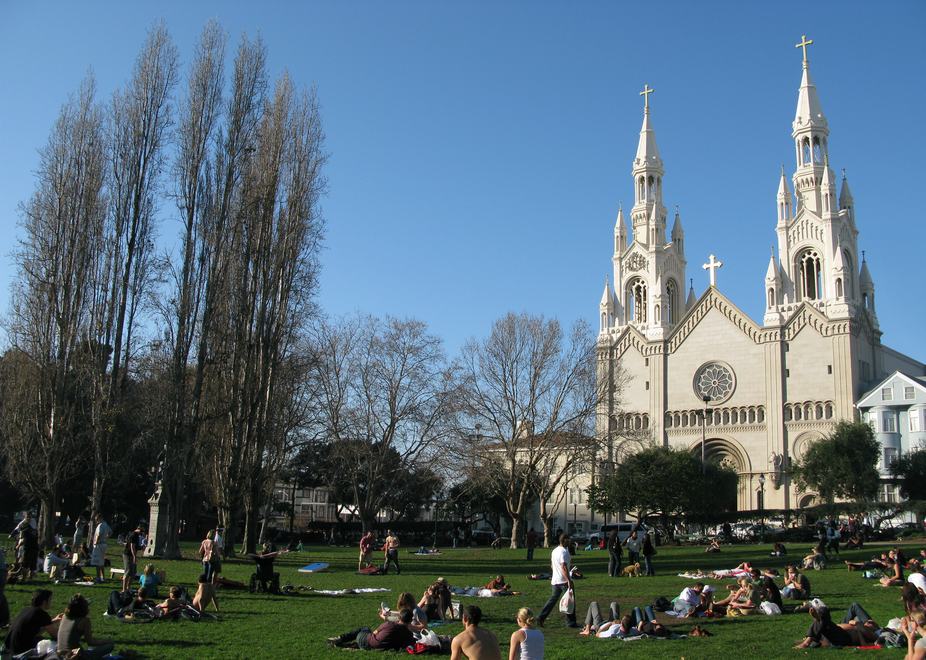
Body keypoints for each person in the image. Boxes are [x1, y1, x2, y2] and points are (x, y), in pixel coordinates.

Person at [536, 533, 577, 628]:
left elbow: (552, 565)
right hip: (563, 581)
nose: (570, 541)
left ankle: (541, 617)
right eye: (568, 539)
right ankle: (571, 622)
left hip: (555, 581)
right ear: (564, 540)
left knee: (552, 600)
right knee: (570, 601)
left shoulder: (554, 551)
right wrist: (569, 580)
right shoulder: (564, 552)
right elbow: (563, 566)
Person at [56, 593, 114, 659]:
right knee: (110, 645)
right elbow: (90, 642)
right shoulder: (84, 621)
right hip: (74, 656)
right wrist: (107, 641)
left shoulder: (64, 616)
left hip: (59, 654)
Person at [3, 589, 59, 655]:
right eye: (50, 600)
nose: (51, 602)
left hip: (9, 647)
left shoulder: (26, 610)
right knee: (53, 646)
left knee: (40, 639)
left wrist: (54, 621)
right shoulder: (41, 614)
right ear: (44, 602)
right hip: (21, 650)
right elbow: (55, 635)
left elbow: (35, 632)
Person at [329, 608, 416, 650]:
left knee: (365, 628)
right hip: (377, 648)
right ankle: (353, 645)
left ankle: (340, 638)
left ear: (399, 618)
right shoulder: (408, 634)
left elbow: (375, 632)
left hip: (366, 641)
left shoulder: (389, 624)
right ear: (410, 620)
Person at [794, 598, 862, 648]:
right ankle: (819, 617)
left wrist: (856, 624)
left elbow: (853, 628)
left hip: (843, 636)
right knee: (823, 620)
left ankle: (807, 641)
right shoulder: (861, 624)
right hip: (838, 633)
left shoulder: (865, 628)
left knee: (823, 613)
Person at [90, 515, 112, 583]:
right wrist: (106, 537)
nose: (97, 521)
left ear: (100, 518)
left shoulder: (100, 525)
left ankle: (98, 577)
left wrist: (96, 542)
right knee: (101, 562)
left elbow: (99, 534)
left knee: (97, 562)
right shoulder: (106, 524)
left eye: (97, 519)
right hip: (104, 544)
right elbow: (111, 532)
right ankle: (103, 577)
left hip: (99, 545)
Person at [122, 526, 142, 592]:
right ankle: (124, 589)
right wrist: (134, 556)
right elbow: (132, 546)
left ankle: (128, 587)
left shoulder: (136, 535)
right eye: (141, 531)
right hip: (128, 555)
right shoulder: (133, 535)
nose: (141, 533)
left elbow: (136, 546)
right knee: (128, 571)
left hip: (132, 555)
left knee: (133, 572)